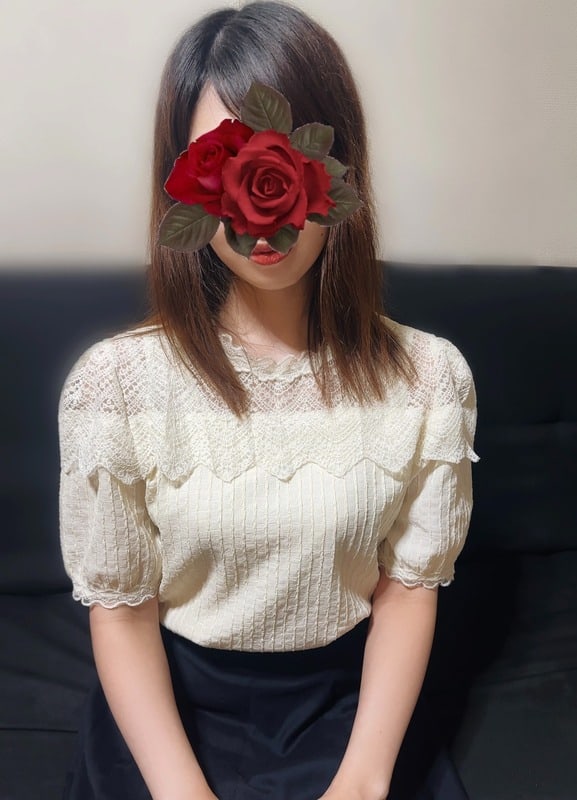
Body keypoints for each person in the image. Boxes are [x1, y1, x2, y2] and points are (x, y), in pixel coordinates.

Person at [58, 2, 479, 799]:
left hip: (350, 703)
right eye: (219, 167)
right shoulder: (113, 385)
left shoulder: (428, 377)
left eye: (282, 161)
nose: (259, 207)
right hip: (171, 710)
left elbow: (407, 587)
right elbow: (122, 610)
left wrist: (363, 781)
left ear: (339, 171)